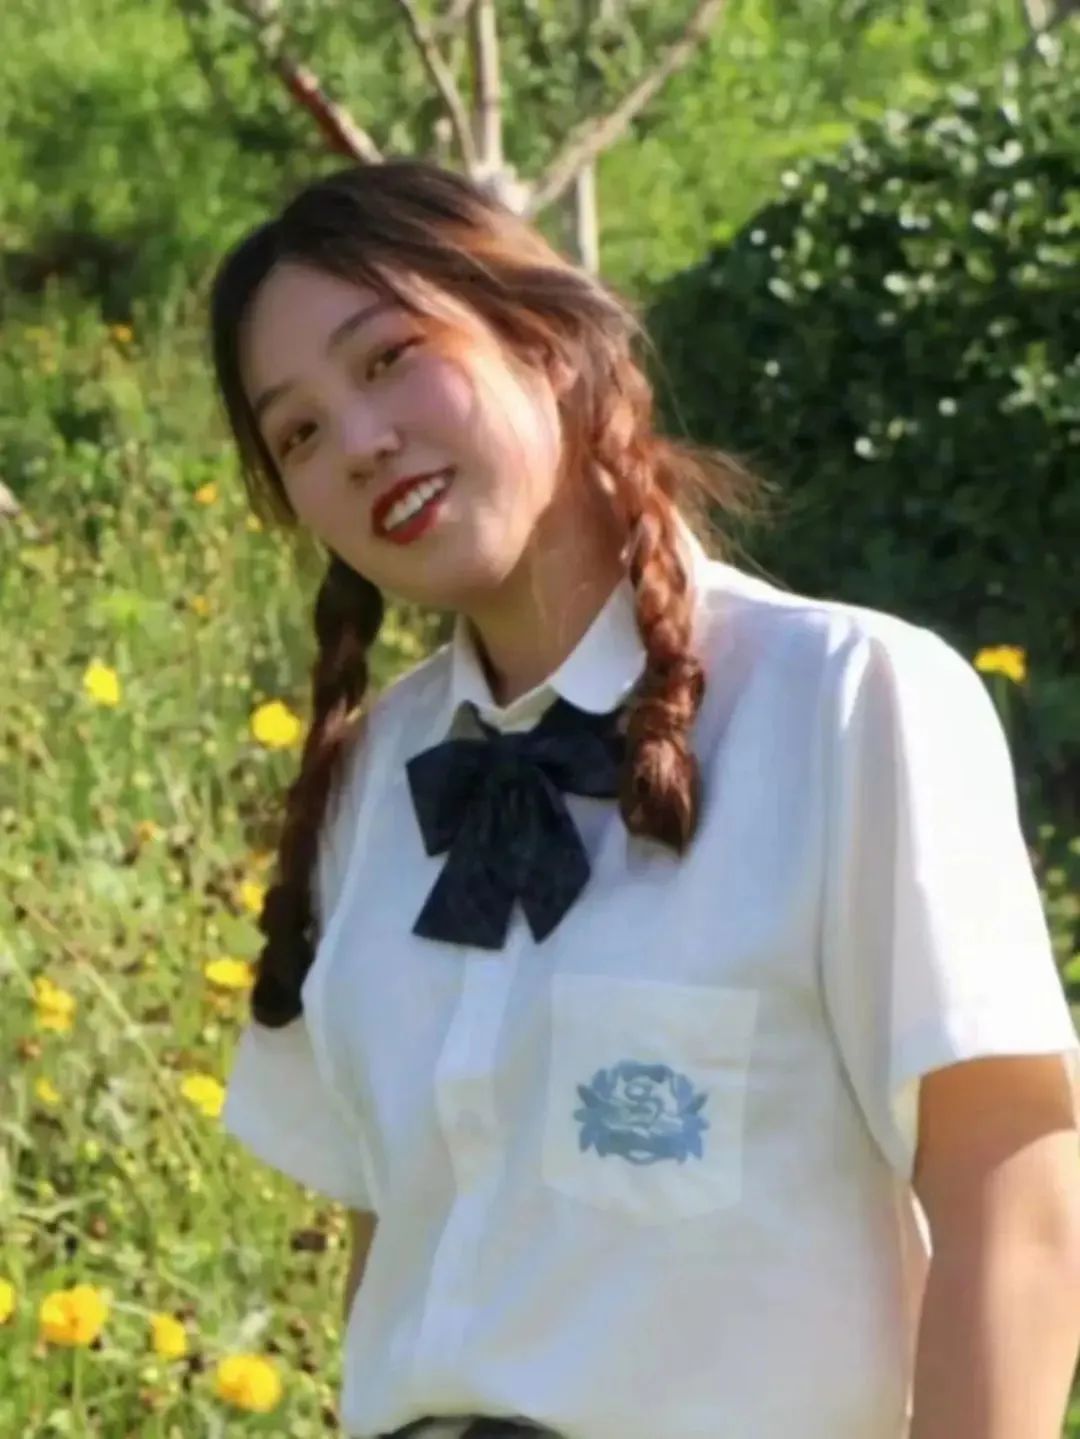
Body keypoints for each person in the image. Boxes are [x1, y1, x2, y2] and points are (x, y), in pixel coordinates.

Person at [208, 159, 1080, 1439]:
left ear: (544, 337)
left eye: (388, 358)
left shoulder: (848, 702)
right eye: (299, 433)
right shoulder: (373, 787)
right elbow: (398, 1237)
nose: (359, 440)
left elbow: (1016, 1184)